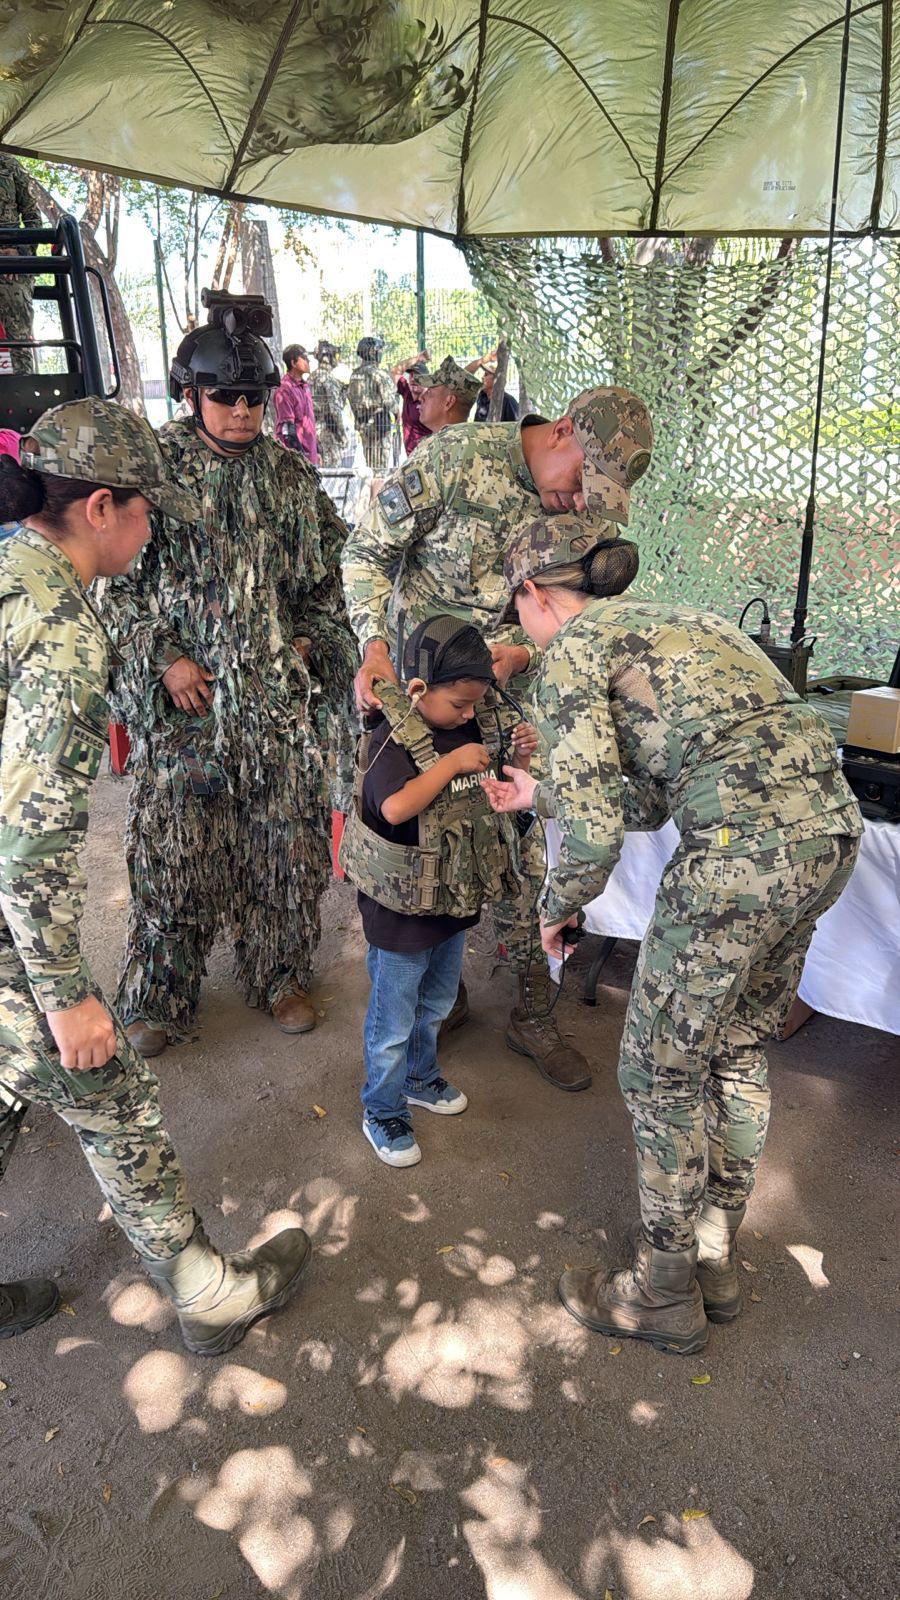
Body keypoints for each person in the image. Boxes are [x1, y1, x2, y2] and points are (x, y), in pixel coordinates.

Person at [484, 516, 863, 1355]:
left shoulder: (572, 653)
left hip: (740, 854)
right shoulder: (686, 622)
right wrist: (538, 793)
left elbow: (593, 829)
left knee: (659, 1071)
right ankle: (715, 1265)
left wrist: (558, 904)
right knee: (734, 1050)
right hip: (828, 836)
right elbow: (650, 795)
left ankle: (660, 1288)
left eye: (518, 612)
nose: (521, 631)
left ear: (537, 594)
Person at [0, 397, 310, 1352]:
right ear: (100, 508)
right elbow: (30, 839)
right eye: (145, 508)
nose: (152, 526)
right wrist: (64, 996)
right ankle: (210, 1294)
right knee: (108, 1094)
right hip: (11, 913)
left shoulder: (10, 564)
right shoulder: (60, 627)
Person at [342, 384, 653, 1092]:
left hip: (510, 703)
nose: (580, 503)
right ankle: (435, 1001)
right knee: (424, 846)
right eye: (579, 481)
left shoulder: (581, 510)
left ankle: (533, 1012)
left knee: (521, 858)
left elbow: (576, 608)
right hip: (423, 703)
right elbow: (365, 555)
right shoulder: (454, 460)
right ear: (562, 431)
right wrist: (372, 645)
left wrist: (527, 652)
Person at [99, 295, 358, 1059]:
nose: (243, 411)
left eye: (255, 398)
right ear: (191, 394)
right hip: (187, 715)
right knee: (175, 855)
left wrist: (310, 641)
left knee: (285, 851)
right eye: (226, 397)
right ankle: (161, 991)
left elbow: (328, 585)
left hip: (276, 712)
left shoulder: (290, 479)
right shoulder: (154, 474)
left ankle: (278, 973)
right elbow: (114, 590)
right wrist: (162, 658)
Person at [340, 615, 536, 1167]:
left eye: (475, 704)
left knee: (435, 1006)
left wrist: (517, 762)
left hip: (449, 905)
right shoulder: (391, 738)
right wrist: (450, 764)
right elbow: (396, 806)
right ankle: (381, 1108)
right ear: (419, 689)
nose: (469, 715)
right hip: (399, 918)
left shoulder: (465, 728)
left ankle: (420, 1079)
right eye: (459, 704)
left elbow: (486, 795)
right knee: (392, 1022)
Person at [0, 154, 41, 377]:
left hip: (10, 264)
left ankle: (25, 392)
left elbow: (33, 215)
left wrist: (22, 253)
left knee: (19, 335)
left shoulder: (9, 165)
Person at [348, 336, 399, 475]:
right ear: (372, 352)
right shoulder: (379, 374)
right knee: (380, 471)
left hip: (364, 426)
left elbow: (351, 399)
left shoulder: (354, 375)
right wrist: (398, 415)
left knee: (371, 467)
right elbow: (390, 402)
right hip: (380, 427)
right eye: (379, 349)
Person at [415, 357, 482, 436]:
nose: (421, 398)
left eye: (429, 392)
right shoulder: (470, 441)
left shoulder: (446, 446)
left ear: (449, 402)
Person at [274, 343, 318, 464]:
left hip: (309, 455)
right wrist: (300, 457)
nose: (308, 361)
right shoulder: (285, 389)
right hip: (295, 460)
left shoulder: (305, 387)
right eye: (304, 357)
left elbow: (309, 422)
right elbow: (287, 430)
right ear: (293, 363)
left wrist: (317, 450)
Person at [309, 340, 348, 467]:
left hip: (312, 430)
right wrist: (342, 436)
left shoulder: (310, 379)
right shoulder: (329, 380)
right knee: (333, 473)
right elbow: (334, 411)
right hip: (327, 432)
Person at [392, 350, 432, 456]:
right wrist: (416, 359)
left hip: (427, 455)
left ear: (426, 380)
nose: (413, 379)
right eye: (411, 375)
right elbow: (395, 371)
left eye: (418, 376)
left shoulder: (432, 399)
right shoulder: (407, 392)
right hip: (411, 457)